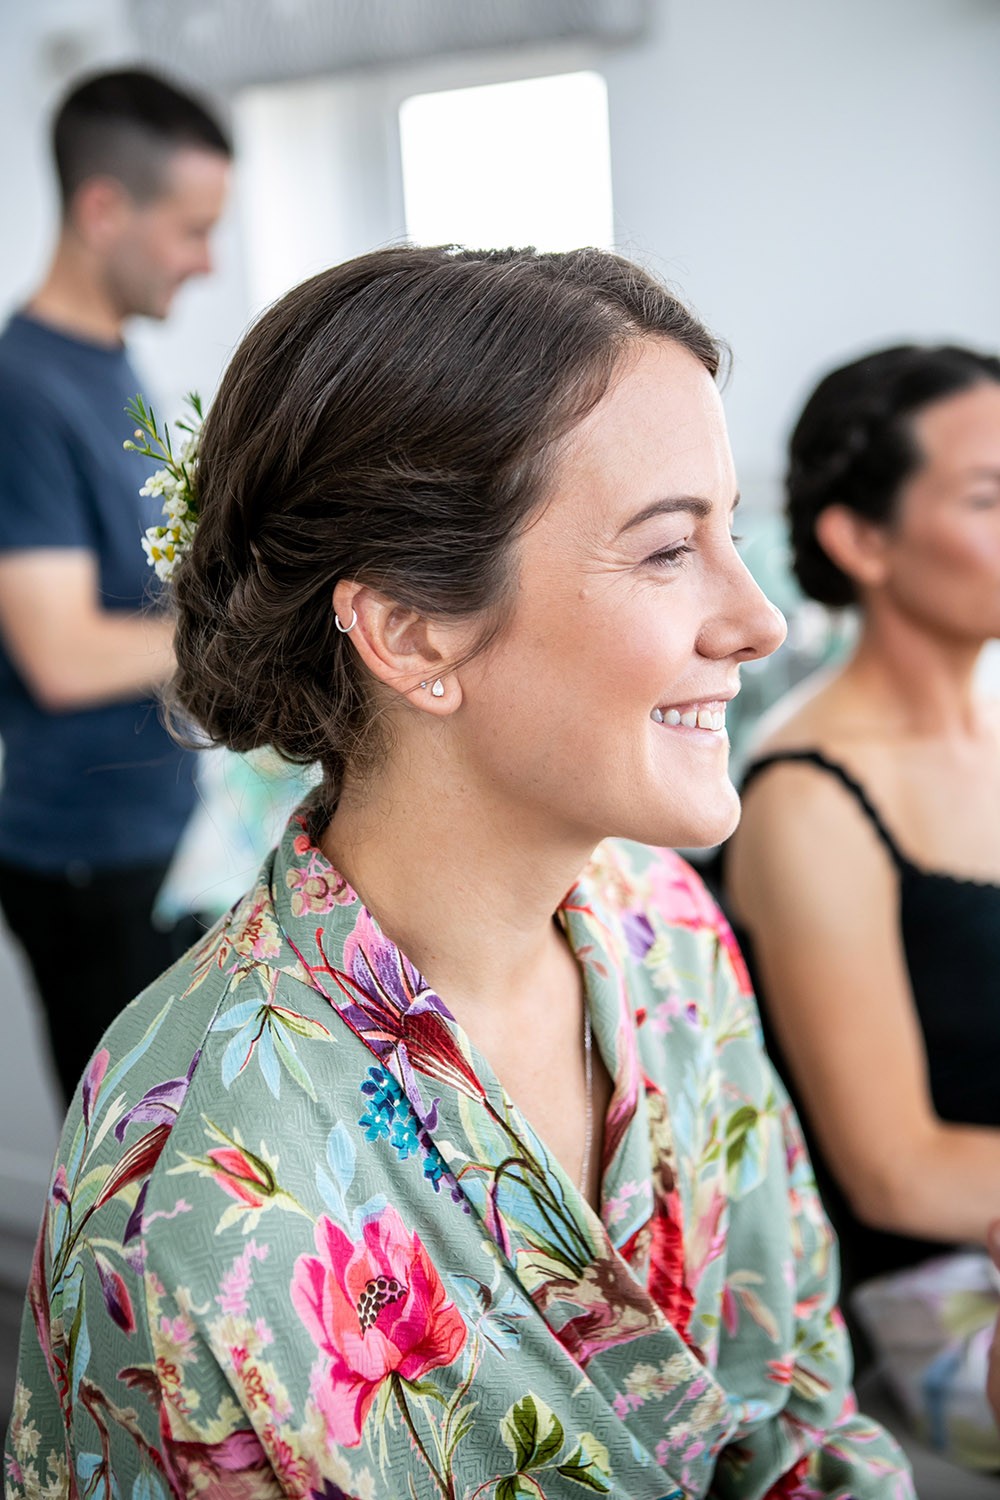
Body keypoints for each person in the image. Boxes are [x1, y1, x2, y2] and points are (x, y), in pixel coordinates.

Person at [3, 248, 913, 1500]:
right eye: (665, 552)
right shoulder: (196, 1172)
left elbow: (800, 1406)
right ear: (412, 631)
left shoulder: (665, 927)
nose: (758, 620)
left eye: (731, 538)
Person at [719, 345, 1000, 1452]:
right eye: (987, 496)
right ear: (860, 540)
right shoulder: (808, 795)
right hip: (936, 1298)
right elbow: (892, 1170)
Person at [0, 69, 232, 1102]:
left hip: (156, 835)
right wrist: (251, 634)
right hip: (88, 861)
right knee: (134, 1188)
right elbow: (61, 653)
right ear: (104, 209)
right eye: (190, 229)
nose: (205, 259)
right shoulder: (22, 389)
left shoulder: (108, 366)